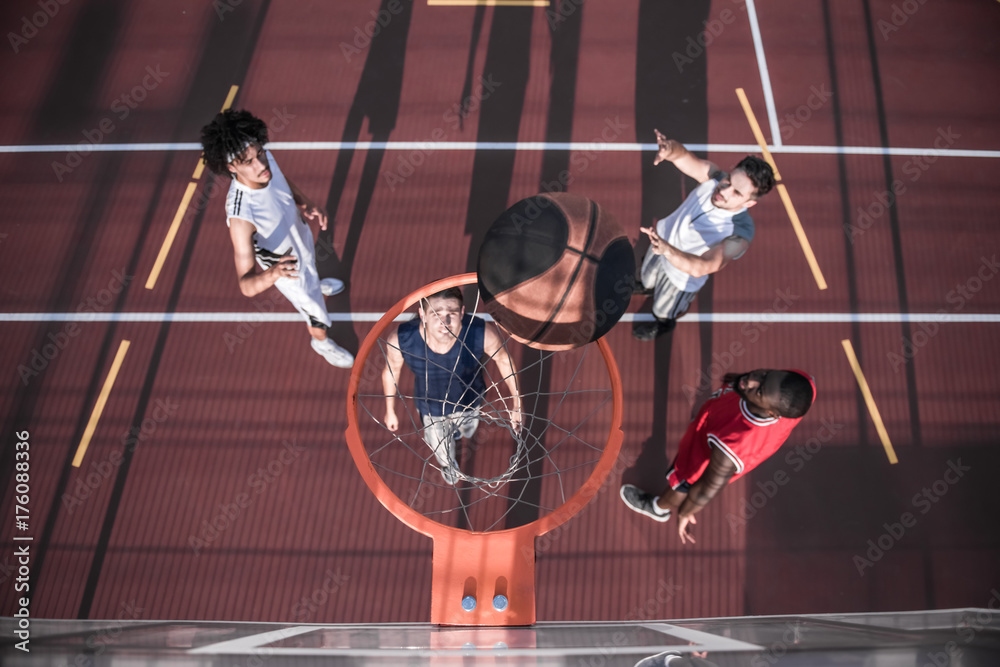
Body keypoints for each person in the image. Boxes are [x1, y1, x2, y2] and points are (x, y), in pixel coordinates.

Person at [200, 109, 354, 368]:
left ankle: (315, 282)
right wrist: (275, 274)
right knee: (314, 311)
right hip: (288, 271)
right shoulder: (241, 217)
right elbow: (246, 285)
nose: (260, 165)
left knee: (312, 268)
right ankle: (321, 342)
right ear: (231, 167)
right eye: (248, 162)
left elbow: (282, 181)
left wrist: (305, 203)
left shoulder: (263, 157)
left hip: (300, 239)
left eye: (259, 153)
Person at [620, 369, 814, 544]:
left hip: (700, 457)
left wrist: (686, 512)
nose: (752, 380)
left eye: (760, 391)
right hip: (715, 423)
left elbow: (707, 489)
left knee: (682, 483)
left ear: (772, 412)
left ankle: (658, 509)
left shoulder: (732, 444)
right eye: (765, 375)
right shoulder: (801, 387)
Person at [633, 130, 776, 340]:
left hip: (680, 277)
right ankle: (647, 287)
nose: (724, 191)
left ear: (749, 203)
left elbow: (703, 267)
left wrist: (667, 250)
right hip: (660, 244)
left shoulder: (740, 233)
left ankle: (663, 323)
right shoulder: (714, 178)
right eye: (729, 181)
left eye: (736, 192)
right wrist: (669, 149)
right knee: (646, 278)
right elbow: (684, 157)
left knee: (664, 310)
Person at [382, 288, 521, 485]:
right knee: (442, 450)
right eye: (436, 315)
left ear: (462, 312)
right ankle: (448, 464)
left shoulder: (480, 333)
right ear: (422, 315)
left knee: (467, 431)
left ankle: (458, 434)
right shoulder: (401, 340)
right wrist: (390, 410)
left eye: (451, 314)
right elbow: (391, 371)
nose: (444, 323)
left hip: (470, 403)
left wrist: (517, 404)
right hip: (431, 409)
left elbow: (504, 361)